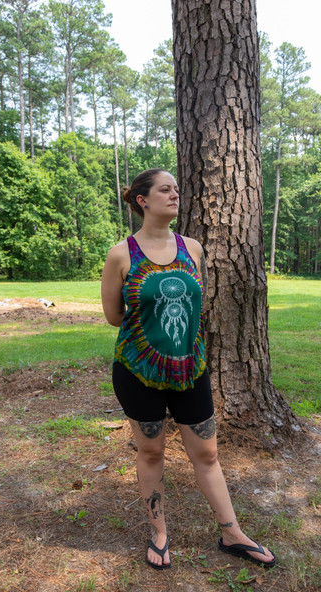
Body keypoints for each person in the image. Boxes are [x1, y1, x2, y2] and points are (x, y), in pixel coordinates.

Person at [101, 168, 275, 570]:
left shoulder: (192, 248)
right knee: (150, 451)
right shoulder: (121, 254)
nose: (175, 195)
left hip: (189, 371)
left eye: (177, 189)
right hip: (138, 371)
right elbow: (114, 316)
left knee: (208, 454)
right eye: (165, 189)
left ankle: (232, 534)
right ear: (142, 200)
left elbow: (199, 303)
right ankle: (159, 534)